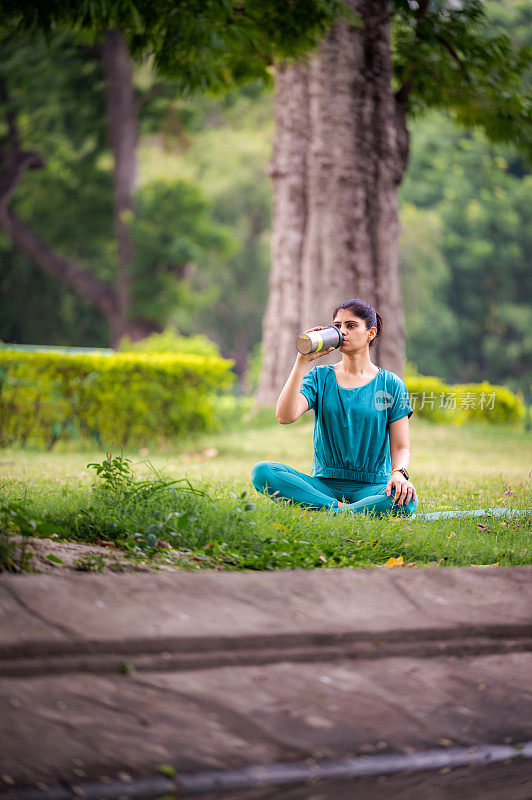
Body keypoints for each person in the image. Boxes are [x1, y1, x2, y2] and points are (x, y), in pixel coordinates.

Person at [251, 298, 419, 517]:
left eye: (351, 325)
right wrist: (302, 361)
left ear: (371, 333)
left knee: (406, 502)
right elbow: (285, 416)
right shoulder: (320, 377)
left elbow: (401, 447)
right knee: (263, 472)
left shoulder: (391, 384)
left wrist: (399, 474)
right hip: (324, 486)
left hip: (372, 485)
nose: (342, 332)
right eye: (337, 326)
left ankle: (330, 510)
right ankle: (343, 511)